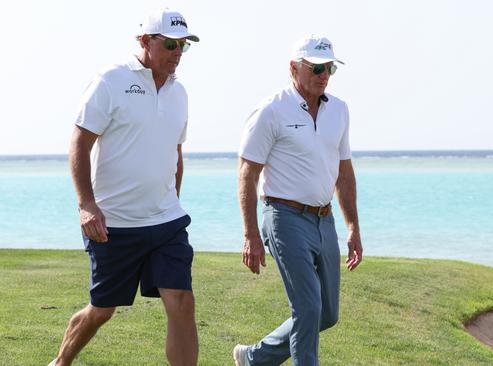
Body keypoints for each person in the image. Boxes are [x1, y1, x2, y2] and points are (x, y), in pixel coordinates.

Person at [49, 8, 200, 366]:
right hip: (114, 225)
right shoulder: (111, 80)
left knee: (181, 300)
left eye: (184, 46)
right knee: (102, 310)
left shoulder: (180, 93)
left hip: (166, 222)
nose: (178, 52)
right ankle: (61, 361)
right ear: (146, 41)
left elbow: (175, 154)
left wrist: (171, 201)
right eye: (171, 44)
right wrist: (87, 205)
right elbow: (80, 142)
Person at [234, 34, 363, 366]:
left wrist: (353, 228)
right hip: (283, 217)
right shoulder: (271, 111)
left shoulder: (340, 111)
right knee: (307, 308)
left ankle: (254, 359)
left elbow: (344, 174)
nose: (324, 75)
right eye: (317, 67)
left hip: (325, 219)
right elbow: (247, 173)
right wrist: (250, 235)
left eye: (330, 68)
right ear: (294, 68)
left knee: (327, 314)